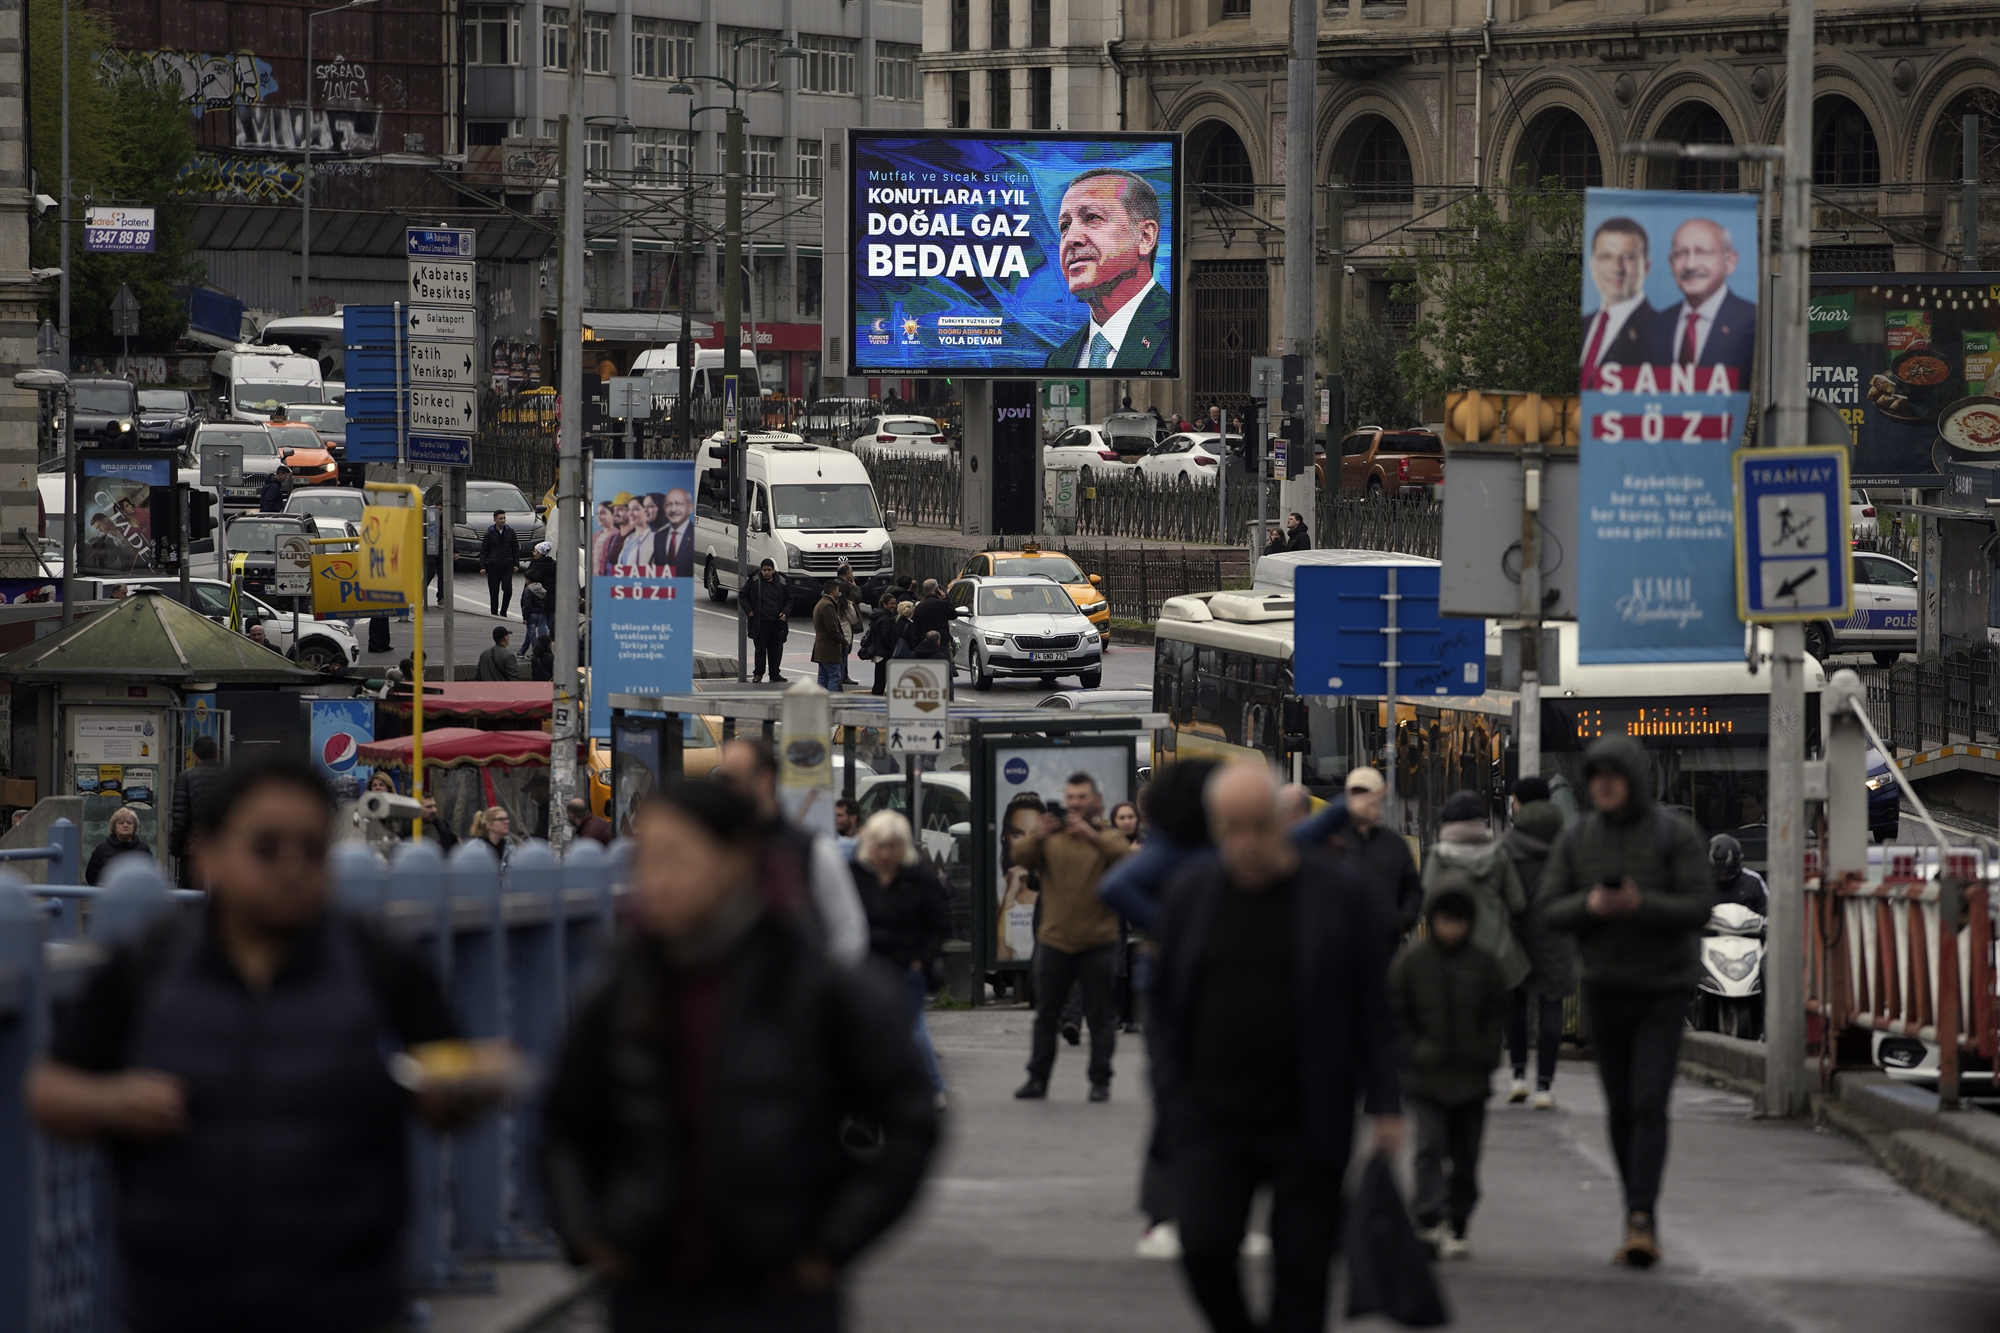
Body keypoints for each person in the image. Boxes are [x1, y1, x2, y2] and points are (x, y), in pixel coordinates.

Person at [28, 755, 480, 1333]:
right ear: (210, 852)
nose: (291, 866)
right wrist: (113, 1104)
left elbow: (453, 1073)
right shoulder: (152, 963)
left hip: (346, 1299)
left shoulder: (377, 960)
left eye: (312, 849)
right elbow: (49, 1091)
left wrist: (459, 1091)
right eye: (266, 847)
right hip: (175, 1301)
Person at [540, 782, 939, 1333]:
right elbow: (563, 1119)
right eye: (645, 860)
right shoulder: (623, 986)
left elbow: (911, 1116)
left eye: (676, 858)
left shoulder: (815, 985)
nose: (655, 880)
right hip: (648, 1290)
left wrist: (831, 1245)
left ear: (736, 862)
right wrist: (586, 1232)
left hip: (779, 1294)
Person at [1148, 765, 1401, 1333]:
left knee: (1303, 1275)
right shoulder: (1192, 893)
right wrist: (1170, 1091)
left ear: (1283, 823)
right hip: (1212, 1117)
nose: (1247, 842)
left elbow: (1373, 1007)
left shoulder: (1339, 896)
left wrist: (1387, 1101)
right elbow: (1165, 1006)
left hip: (1307, 1118)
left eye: (1259, 826)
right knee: (1205, 1250)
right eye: (1232, 829)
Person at [1537, 737, 1713, 1268]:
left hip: (1662, 989)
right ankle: (1632, 1207)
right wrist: (1589, 905)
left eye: (1614, 775)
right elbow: (1547, 908)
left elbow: (1699, 905)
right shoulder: (1577, 838)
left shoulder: (1673, 834)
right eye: (1596, 776)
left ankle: (1642, 1216)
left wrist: (1642, 905)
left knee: (1647, 1101)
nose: (1604, 784)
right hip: (1605, 988)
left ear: (1634, 779)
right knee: (1618, 1107)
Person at [1096, 759, 1219, 1261]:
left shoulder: (1209, 846)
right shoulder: (1177, 847)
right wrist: (1172, 925)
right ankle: (1161, 1215)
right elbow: (1115, 888)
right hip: (1171, 986)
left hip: (1213, 984)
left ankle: (1207, 1210)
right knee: (1175, 1100)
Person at [1391, 884, 1509, 1260]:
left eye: (1459, 921)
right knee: (1428, 1147)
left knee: (1466, 1155)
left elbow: (1495, 1015)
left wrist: (1488, 1055)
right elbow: (1396, 1014)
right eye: (1445, 920)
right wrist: (1410, 1052)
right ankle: (1427, 1219)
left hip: (1471, 1078)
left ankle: (1458, 1221)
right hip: (1424, 1076)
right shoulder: (1412, 962)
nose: (1451, 929)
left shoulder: (1484, 963)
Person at [1011, 772, 1131, 1102]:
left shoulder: (1106, 835)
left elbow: (1127, 858)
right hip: (1054, 940)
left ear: (1095, 801)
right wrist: (1038, 834)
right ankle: (1037, 1080)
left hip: (1097, 941)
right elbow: (1019, 857)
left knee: (1101, 1018)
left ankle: (1100, 1081)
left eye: (1082, 797)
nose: (1076, 803)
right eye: (1071, 797)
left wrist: (1091, 835)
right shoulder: (1051, 835)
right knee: (1046, 1016)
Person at [712, 738, 869, 964]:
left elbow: (847, 930)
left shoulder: (812, 851)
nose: (724, 791)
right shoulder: (715, 848)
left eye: (732, 780)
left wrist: (815, 989)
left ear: (765, 780)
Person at [851, 809, 952, 1107]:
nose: (885, 853)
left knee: (911, 1025)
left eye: (892, 846)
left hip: (907, 965)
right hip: (867, 966)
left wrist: (922, 958)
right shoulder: (855, 875)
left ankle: (933, 1087)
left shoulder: (919, 880)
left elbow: (940, 925)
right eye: (879, 845)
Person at [1046, 169, 1171, 371]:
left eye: (1092, 217)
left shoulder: (1184, 331)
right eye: (1064, 226)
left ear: (1145, 237)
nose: (1070, 239)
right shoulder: (1058, 360)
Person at [1501, 775, 1575, 1109]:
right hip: (1556, 934)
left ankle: (1518, 1076)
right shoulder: (1567, 843)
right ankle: (1544, 1086)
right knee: (1550, 1006)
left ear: (1519, 803)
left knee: (1516, 1006)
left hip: (1516, 934)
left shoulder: (1509, 844)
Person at [1295, 765, 1422, 948]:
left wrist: (1401, 922)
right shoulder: (1330, 839)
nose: (1361, 802)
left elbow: (1412, 890)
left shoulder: (1395, 844)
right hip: (1338, 947)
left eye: (1367, 795)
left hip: (1384, 946)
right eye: (1356, 795)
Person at [1420, 788, 1529, 997]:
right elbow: (1518, 904)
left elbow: (1427, 903)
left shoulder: (1439, 856)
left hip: (1453, 957)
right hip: (1499, 955)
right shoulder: (1499, 854)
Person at [1640, 217, 1756, 383]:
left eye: (1703, 252)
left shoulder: (1753, 320)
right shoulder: (1655, 326)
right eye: (1681, 254)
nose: (1690, 265)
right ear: (1671, 263)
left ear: (1730, 261)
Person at [1580, 216, 1657, 389]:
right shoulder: (1583, 325)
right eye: (1606, 256)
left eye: (1628, 257)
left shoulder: (1662, 332)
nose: (1616, 267)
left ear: (1646, 266)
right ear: (1593, 265)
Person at [168, 734, 222, 887]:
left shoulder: (186, 778)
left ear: (195, 756)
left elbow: (180, 820)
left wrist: (177, 851)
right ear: (217, 755)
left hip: (193, 852)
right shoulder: (230, 778)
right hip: (221, 852)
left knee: (191, 900)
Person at [742, 559, 791, 683]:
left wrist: (785, 612)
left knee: (776, 650)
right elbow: (742, 596)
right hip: (760, 622)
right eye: (764, 570)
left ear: (773, 570)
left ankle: (775, 674)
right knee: (760, 649)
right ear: (760, 570)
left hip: (777, 622)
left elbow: (789, 600)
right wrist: (749, 611)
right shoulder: (754, 581)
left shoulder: (782, 581)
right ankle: (758, 674)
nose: (767, 573)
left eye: (769, 570)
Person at [86, 805, 153, 886]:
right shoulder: (102, 850)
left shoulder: (144, 850)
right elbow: (91, 877)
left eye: (129, 822)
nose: (125, 825)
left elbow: (151, 878)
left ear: (134, 826)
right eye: (121, 823)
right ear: (114, 827)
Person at [1708, 833, 1768, 913]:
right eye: (1719, 873)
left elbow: (1769, 912)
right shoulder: (1702, 883)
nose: (1723, 878)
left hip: (1750, 925)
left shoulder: (1753, 881)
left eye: (1726, 873)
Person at [481, 508, 520, 617]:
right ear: (495, 520)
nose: (503, 520)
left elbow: (515, 548)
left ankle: (503, 612)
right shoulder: (489, 533)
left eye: (504, 518)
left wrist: (516, 564)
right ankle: (494, 613)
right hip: (494, 566)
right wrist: (482, 566)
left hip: (507, 565)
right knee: (494, 592)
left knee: (508, 590)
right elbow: (484, 550)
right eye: (500, 518)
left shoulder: (510, 532)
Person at [650, 486, 695, 577]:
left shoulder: (696, 535)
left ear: (690, 508)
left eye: (679, 504)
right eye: (668, 504)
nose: (673, 509)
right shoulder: (659, 537)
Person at [811, 581, 847, 692]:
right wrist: (844, 641)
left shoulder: (821, 603)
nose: (838, 592)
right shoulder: (828, 605)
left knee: (823, 677)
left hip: (821, 648)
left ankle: (820, 702)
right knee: (834, 676)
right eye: (837, 590)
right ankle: (831, 702)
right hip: (829, 648)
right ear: (833, 591)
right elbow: (832, 629)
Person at [860, 593, 899, 694]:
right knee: (880, 681)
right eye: (891, 603)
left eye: (895, 603)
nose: (894, 606)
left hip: (878, 652)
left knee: (879, 680)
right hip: (883, 653)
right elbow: (886, 637)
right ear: (884, 604)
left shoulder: (878, 616)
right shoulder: (885, 619)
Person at [910, 578, 958, 645]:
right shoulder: (942, 604)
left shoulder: (919, 607)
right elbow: (953, 615)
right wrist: (945, 599)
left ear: (924, 590)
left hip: (924, 643)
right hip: (942, 642)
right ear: (937, 589)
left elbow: (916, 630)